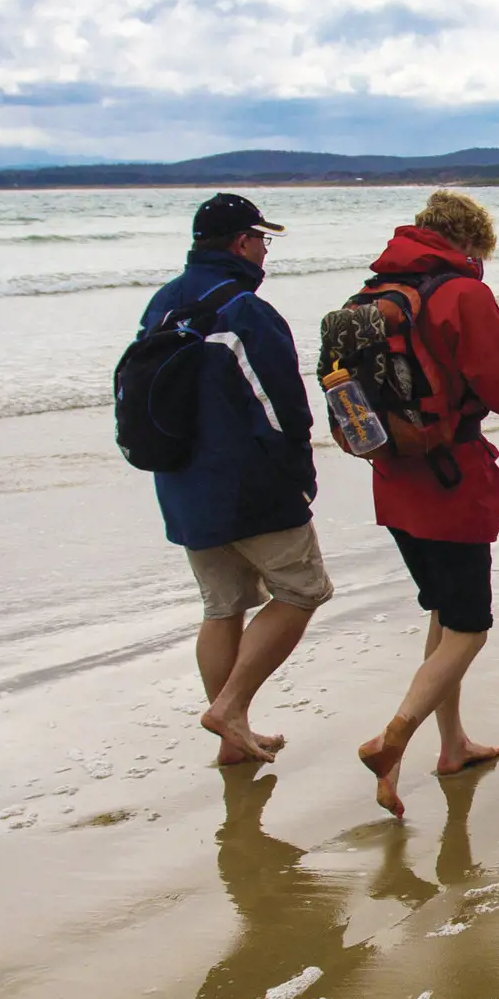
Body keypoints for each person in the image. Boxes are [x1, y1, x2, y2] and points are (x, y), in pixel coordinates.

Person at [350, 190, 499, 816]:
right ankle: (393, 738)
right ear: (470, 244)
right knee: (470, 628)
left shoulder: (372, 293)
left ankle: (452, 744)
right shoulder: (461, 293)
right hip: (450, 482)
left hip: (393, 479)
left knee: (443, 613)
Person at [143, 192, 329, 766]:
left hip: (180, 483)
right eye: (262, 240)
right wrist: (301, 473)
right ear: (243, 243)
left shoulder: (164, 303)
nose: (264, 252)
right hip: (249, 485)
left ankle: (234, 739)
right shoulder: (244, 308)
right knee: (302, 590)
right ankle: (230, 707)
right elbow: (280, 408)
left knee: (222, 606)